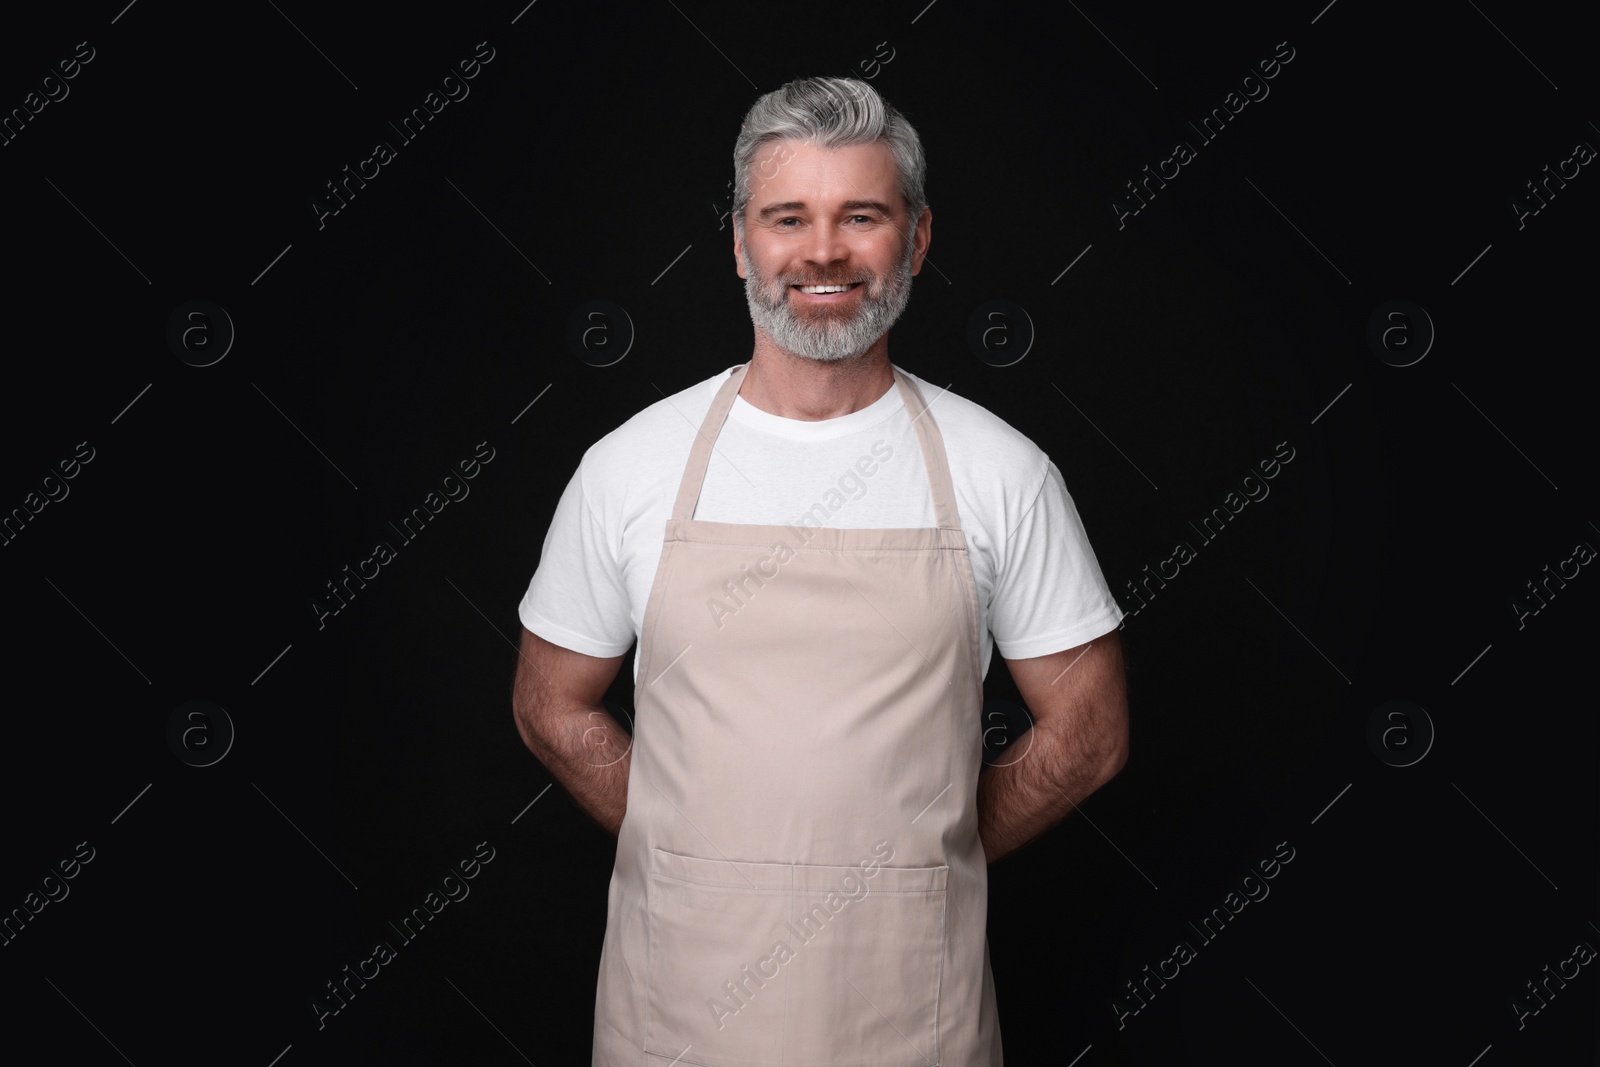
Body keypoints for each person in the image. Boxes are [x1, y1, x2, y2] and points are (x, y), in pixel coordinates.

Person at [512, 74, 1129, 1066]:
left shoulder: (1000, 472)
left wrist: (927, 850)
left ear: (917, 240)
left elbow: (1090, 731)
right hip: (677, 1014)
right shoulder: (631, 465)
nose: (824, 251)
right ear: (738, 242)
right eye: (786, 217)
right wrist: (689, 843)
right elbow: (548, 699)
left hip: (908, 1015)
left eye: (862, 216)